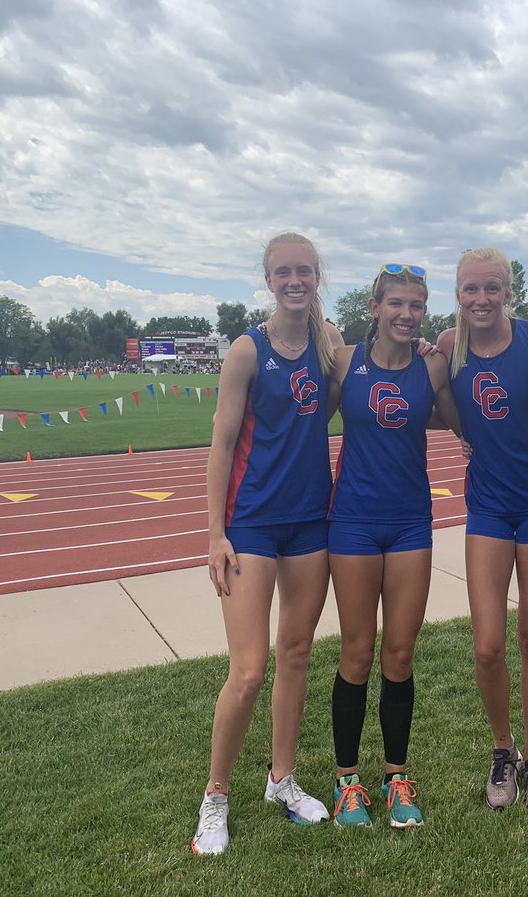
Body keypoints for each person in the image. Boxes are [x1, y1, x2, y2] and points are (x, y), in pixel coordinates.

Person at [194, 231, 345, 855]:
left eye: (304, 271)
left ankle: (281, 779)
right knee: (250, 669)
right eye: (283, 272)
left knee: (297, 654)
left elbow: (349, 394)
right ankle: (215, 796)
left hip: (311, 519)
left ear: (317, 277)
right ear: (268, 280)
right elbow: (222, 444)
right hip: (252, 523)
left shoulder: (329, 343)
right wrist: (215, 534)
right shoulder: (246, 350)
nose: (294, 281)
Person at [326, 263, 461, 829]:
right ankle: (347, 783)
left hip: (409, 522)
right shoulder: (344, 361)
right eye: (396, 304)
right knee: (357, 653)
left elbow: (468, 425)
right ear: (375, 308)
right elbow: (301, 421)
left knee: (400, 654)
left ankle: (396, 777)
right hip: (353, 521)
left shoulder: (432, 365)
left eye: (416, 305)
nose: (406, 314)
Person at [436, 247, 528, 810]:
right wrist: (459, 433)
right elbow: (424, 399)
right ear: (458, 293)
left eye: (492, 288)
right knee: (487, 645)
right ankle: (502, 748)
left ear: (508, 291)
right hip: (488, 507)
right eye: (471, 288)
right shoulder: (448, 346)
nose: (481, 298)